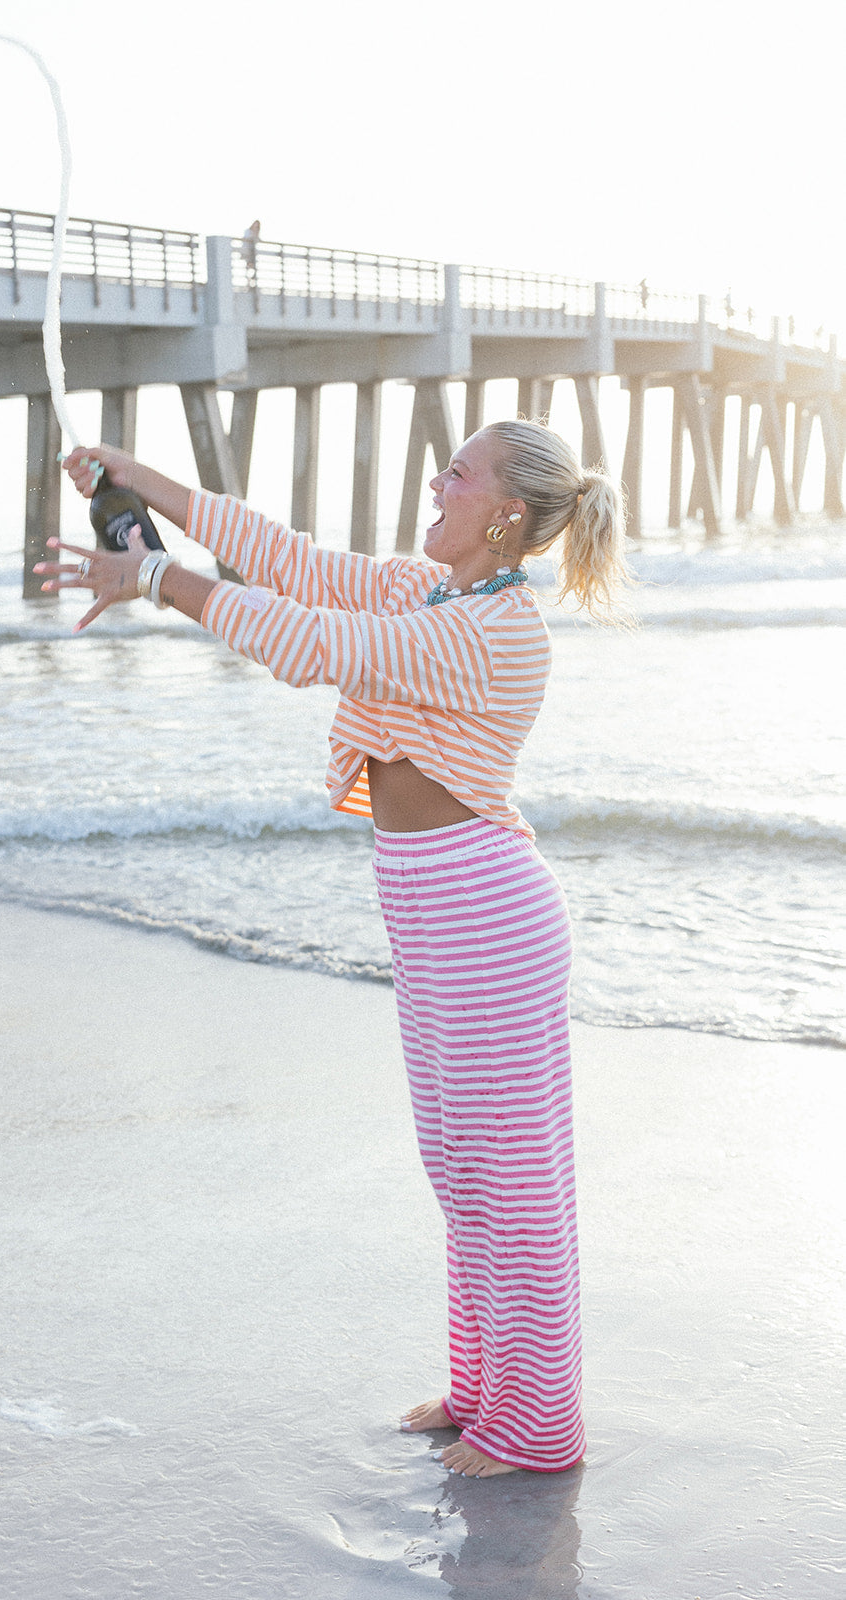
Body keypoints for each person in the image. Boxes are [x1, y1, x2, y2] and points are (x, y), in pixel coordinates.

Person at [36, 420, 629, 1478]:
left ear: (501, 511)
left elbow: (313, 644)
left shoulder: (494, 629)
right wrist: (143, 482)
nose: (434, 479)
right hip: (434, 910)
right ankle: (483, 1386)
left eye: (457, 470)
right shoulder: (426, 591)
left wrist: (156, 577)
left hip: (485, 916)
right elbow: (289, 561)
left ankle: (537, 1428)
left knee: (509, 1179)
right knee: (458, 1167)